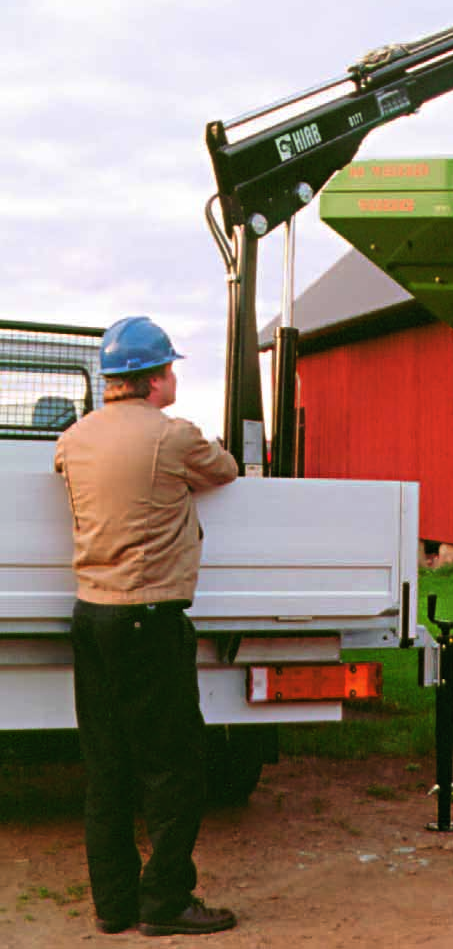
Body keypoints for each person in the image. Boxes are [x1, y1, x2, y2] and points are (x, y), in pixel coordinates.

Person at [54, 316, 239, 937]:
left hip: (91, 615)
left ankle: (113, 906)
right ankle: (165, 902)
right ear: (156, 377)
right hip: (149, 618)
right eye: (172, 367)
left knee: (105, 765)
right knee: (172, 766)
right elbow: (227, 470)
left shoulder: (73, 438)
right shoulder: (174, 436)